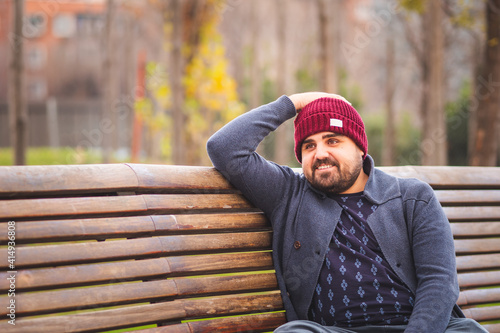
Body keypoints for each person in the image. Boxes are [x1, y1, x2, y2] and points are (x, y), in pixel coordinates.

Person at [206, 92, 487, 333]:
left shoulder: (412, 198)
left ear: (359, 147)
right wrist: (295, 102)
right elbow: (225, 147)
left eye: (333, 140)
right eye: (309, 145)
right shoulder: (287, 193)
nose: (320, 154)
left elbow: (439, 283)